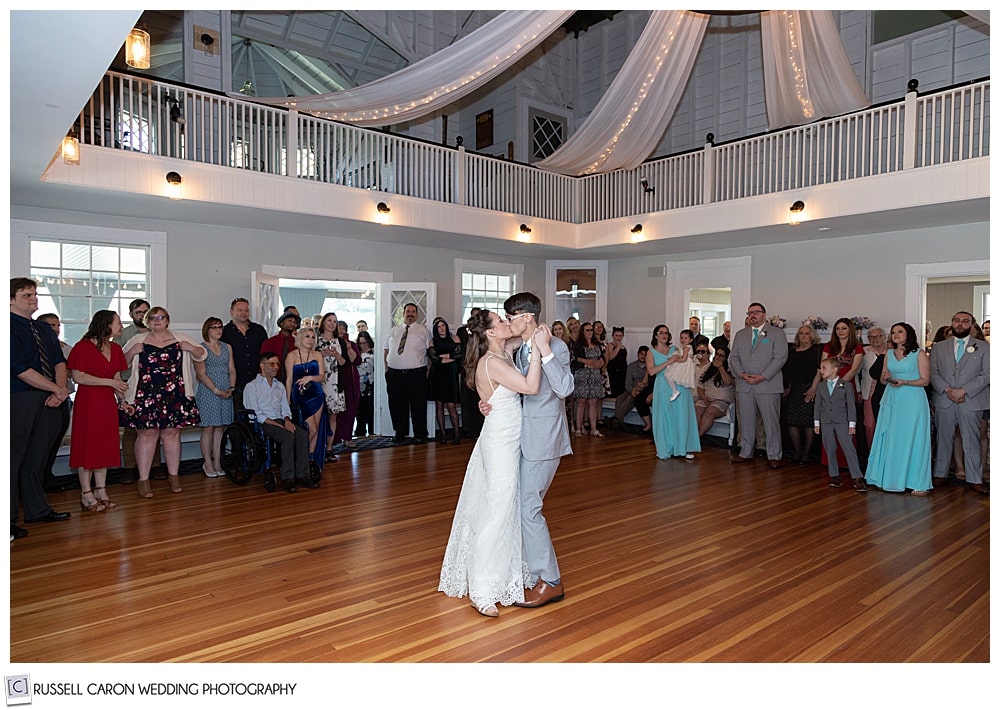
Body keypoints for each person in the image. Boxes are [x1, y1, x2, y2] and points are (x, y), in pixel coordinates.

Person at [438, 309, 543, 617]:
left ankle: (501, 576)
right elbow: (531, 387)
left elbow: (519, 335)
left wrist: (528, 326)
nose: (505, 322)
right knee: (496, 510)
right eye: (500, 321)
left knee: (502, 507)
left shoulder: (502, 352)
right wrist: (538, 350)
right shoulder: (493, 362)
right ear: (491, 333)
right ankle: (482, 589)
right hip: (500, 442)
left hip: (505, 437)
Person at [503, 292, 574, 609]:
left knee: (530, 508)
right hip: (517, 436)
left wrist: (544, 350)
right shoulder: (517, 348)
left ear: (527, 316)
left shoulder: (555, 346)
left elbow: (565, 389)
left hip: (544, 438)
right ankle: (533, 573)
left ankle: (551, 581)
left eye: (511, 317)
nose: (508, 322)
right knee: (521, 505)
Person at [122, 306, 206, 498]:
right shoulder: (137, 340)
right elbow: (121, 363)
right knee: (146, 435)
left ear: (167, 320)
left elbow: (202, 354)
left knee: (172, 434)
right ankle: (143, 479)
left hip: (175, 394)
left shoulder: (180, 338)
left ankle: (174, 476)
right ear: (147, 321)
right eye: (152, 318)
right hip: (145, 395)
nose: (157, 320)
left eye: (161, 317)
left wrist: (191, 348)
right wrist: (132, 352)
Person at [11, 277, 72, 541]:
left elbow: (59, 361)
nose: (33, 299)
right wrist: (56, 389)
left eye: (34, 294)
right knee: (13, 460)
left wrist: (59, 390)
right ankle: (9, 518)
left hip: (49, 398)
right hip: (20, 397)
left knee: (38, 456)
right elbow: (18, 367)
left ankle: (37, 509)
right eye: (26, 295)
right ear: (10, 299)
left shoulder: (44, 328)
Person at [67, 310, 129, 511]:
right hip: (88, 401)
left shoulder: (116, 349)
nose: (120, 326)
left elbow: (117, 379)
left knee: (104, 445)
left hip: (107, 403)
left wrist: (123, 400)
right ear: (106, 324)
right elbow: (79, 377)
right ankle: (86, 493)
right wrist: (108, 382)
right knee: (88, 445)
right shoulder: (82, 347)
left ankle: (101, 489)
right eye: (118, 323)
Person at [865, 322, 932, 496]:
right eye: (893, 332)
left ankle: (916, 481)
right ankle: (888, 478)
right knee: (892, 437)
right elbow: (882, 379)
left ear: (908, 334)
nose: (895, 334)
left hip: (912, 399)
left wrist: (905, 382)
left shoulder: (919, 354)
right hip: (892, 398)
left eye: (900, 332)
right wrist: (886, 377)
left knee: (913, 437)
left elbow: (925, 380)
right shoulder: (888, 353)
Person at [929, 311, 990, 494]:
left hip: (971, 399)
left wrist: (963, 390)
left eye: (965, 321)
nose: (960, 324)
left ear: (972, 325)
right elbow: (933, 372)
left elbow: (987, 374)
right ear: (951, 323)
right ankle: (940, 473)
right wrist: (948, 390)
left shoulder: (984, 347)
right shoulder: (939, 347)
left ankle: (975, 478)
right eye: (956, 320)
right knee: (943, 438)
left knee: (971, 440)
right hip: (944, 399)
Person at [243, 352, 318, 492]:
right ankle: (288, 478)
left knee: (301, 434)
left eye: (277, 364)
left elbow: (285, 407)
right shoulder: (252, 387)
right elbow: (255, 413)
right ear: (262, 366)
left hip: (280, 420)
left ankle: (303, 475)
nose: (276, 367)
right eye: (272, 364)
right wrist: (275, 423)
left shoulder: (280, 386)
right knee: (287, 437)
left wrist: (287, 420)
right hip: (263, 423)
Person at [728, 302, 788, 468]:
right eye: (750, 312)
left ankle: (774, 455)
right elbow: (733, 358)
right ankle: (745, 452)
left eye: (756, 312)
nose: (753, 315)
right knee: (746, 421)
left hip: (768, 385)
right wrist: (741, 374)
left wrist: (763, 376)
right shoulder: (741, 334)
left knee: (771, 422)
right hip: (744, 385)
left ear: (764, 314)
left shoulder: (777, 333)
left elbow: (780, 358)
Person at [812, 318, 865, 470]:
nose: (840, 331)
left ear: (850, 330)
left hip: (846, 385)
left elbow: (854, 369)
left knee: (845, 420)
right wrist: (817, 386)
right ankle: (831, 464)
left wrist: (839, 385)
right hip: (828, 386)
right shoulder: (829, 346)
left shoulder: (857, 347)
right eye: (838, 328)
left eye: (844, 328)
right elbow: (822, 367)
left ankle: (848, 463)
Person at [647, 324, 701, 460]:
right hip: (663, 386)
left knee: (682, 416)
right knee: (665, 417)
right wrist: (668, 362)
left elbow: (685, 361)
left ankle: (684, 447)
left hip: (680, 384)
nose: (664, 335)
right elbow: (651, 371)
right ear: (655, 335)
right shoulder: (651, 352)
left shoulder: (675, 349)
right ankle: (667, 448)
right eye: (661, 333)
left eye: (666, 333)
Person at [113, 298, 152, 484]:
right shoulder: (124, 334)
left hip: (154, 385)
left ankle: (155, 465)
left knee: (154, 427)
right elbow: (116, 360)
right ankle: (129, 467)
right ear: (131, 315)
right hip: (130, 383)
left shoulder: (157, 331)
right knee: (131, 429)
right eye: (139, 312)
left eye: (146, 311)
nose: (143, 315)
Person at [814, 357, 867, 492]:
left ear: (835, 369)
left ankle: (857, 477)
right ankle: (834, 475)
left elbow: (851, 406)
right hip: (826, 421)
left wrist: (852, 424)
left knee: (848, 448)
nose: (821, 371)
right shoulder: (820, 386)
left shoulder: (846, 385)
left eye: (824, 368)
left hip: (842, 421)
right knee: (829, 448)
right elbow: (817, 405)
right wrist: (816, 422)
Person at [194, 316, 236, 478]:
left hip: (226, 390)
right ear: (207, 330)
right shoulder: (201, 349)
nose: (218, 330)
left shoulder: (227, 347)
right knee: (209, 427)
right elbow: (201, 373)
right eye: (214, 327)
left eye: (220, 327)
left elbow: (231, 369)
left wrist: (231, 387)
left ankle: (218, 461)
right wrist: (215, 390)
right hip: (208, 392)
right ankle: (208, 462)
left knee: (220, 427)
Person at [36, 313, 74, 492]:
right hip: (42, 401)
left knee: (55, 439)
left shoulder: (65, 348)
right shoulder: (35, 348)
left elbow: (74, 371)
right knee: (40, 444)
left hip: (63, 399)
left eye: (58, 325)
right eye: (51, 325)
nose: (56, 329)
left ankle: (47, 475)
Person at [383, 302, 431, 443]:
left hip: (416, 374)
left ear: (417, 314)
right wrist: (387, 369)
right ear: (403, 313)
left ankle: (420, 434)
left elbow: (430, 352)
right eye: (408, 311)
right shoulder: (393, 330)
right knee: (397, 405)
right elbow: (386, 349)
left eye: (413, 312)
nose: (410, 314)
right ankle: (400, 432)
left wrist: (427, 372)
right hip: (395, 374)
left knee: (418, 405)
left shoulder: (423, 331)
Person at [285, 322, 328, 467]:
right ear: (300, 338)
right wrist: (286, 401)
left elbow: (322, 377)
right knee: (311, 429)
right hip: (300, 395)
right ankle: (300, 457)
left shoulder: (317, 354)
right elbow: (289, 379)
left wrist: (310, 378)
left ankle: (310, 459)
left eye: (312, 337)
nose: (310, 339)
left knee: (316, 427)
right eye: (307, 336)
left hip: (316, 393)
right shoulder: (292, 356)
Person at [782, 324, 823, 464]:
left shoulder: (816, 350)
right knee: (791, 421)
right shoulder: (793, 351)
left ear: (812, 336)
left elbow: (819, 370)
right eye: (801, 333)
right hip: (795, 389)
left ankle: (807, 453)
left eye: (806, 333)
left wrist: (814, 388)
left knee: (808, 422)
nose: (803, 336)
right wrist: (788, 387)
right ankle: (797, 451)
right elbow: (789, 371)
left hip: (809, 388)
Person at [220, 297, 268, 411]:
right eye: (240, 310)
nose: (244, 313)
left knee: (258, 413)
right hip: (234, 382)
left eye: (246, 310)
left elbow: (266, 355)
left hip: (257, 380)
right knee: (237, 415)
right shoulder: (224, 332)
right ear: (232, 312)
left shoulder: (259, 330)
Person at [427, 316, 463, 444]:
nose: (441, 329)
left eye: (443, 326)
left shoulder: (455, 338)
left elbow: (458, 355)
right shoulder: (432, 341)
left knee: (451, 405)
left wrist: (442, 356)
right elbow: (433, 358)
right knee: (439, 404)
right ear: (435, 329)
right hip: (437, 374)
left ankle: (457, 434)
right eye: (438, 327)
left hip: (451, 373)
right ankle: (442, 434)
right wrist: (448, 357)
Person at [316, 313, 348, 459]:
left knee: (332, 417)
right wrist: (320, 355)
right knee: (317, 417)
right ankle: (316, 448)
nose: (332, 324)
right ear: (323, 323)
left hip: (335, 384)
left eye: (335, 321)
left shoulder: (339, 342)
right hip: (319, 383)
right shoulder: (315, 340)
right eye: (329, 320)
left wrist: (337, 355)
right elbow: (308, 361)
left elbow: (344, 363)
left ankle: (329, 448)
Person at [570, 322, 606, 437]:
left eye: (591, 330)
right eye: (587, 330)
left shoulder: (597, 344)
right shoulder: (578, 345)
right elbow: (576, 360)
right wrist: (586, 363)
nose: (590, 332)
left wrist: (600, 363)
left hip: (595, 376)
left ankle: (594, 428)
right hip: (582, 376)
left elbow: (602, 358)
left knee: (593, 402)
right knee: (581, 402)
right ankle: (578, 428)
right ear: (583, 332)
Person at [611, 345, 653, 433]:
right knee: (620, 399)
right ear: (638, 354)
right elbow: (627, 383)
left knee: (631, 398)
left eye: (645, 355)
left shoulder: (650, 367)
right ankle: (618, 421)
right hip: (631, 390)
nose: (643, 356)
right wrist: (632, 391)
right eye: (641, 354)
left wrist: (637, 391)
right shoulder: (631, 366)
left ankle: (616, 419)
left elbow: (647, 384)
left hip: (642, 391)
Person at [695, 345, 735, 437]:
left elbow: (728, 382)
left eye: (721, 356)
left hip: (722, 401)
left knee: (710, 411)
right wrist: (704, 397)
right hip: (707, 399)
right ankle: (693, 437)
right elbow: (700, 386)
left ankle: (698, 437)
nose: (717, 357)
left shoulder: (730, 368)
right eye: (717, 354)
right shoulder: (708, 367)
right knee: (697, 409)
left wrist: (721, 367)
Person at [859, 326, 889, 449]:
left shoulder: (891, 351)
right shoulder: (864, 352)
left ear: (884, 337)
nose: (875, 339)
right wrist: (858, 390)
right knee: (870, 424)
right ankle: (872, 452)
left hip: (887, 391)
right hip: (869, 392)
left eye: (878, 336)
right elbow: (856, 372)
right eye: (871, 337)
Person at [457, 308, 484, 440]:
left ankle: (480, 429)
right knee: (466, 401)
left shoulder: (483, 333)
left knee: (479, 400)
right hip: (466, 369)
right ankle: (468, 430)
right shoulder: (462, 331)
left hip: (480, 369)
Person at [335, 320, 361, 447]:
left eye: (343, 328)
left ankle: (347, 437)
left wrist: (348, 347)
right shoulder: (332, 343)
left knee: (350, 409)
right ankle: (335, 437)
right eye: (338, 328)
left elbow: (356, 360)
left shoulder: (351, 344)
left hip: (349, 379)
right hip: (334, 380)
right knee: (336, 410)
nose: (340, 330)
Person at [262, 310, 300, 383]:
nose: (292, 323)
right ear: (281, 323)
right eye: (289, 320)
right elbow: (262, 365)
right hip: (272, 382)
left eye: (295, 322)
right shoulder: (269, 343)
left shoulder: (298, 344)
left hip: (293, 382)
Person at [662, 328, 697, 402]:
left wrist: (674, 360)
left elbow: (684, 359)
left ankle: (675, 391)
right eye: (681, 337)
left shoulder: (686, 348)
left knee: (668, 374)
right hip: (685, 364)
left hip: (683, 364)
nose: (683, 340)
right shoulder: (685, 347)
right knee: (669, 375)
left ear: (690, 340)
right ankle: (675, 391)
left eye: (685, 338)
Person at [354, 330, 376, 437]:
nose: (362, 345)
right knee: (360, 411)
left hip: (371, 385)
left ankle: (372, 431)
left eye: (364, 343)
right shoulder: (356, 354)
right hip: (359, 385)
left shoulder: (374, 352)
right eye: (360, 343)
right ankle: (360, 431)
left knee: (371, 410)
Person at [605, 326, 628, 397]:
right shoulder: (610, 345)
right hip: (613, 370)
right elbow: (611, 357)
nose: (618, 337)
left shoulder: (623, 347)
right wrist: (617, 347)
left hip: (622, 370)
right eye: (616, 335)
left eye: (620, 336)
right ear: (613, 336)